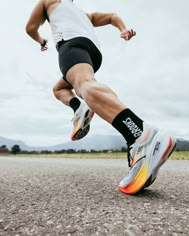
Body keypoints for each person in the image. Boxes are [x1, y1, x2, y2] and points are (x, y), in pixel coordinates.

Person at [25, 0, 176, 195]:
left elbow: (30, 28)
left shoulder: (50, 1)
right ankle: (79, 109)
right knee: (60, 88)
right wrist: (123, 29)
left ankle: (140, 134)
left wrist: (41, 41)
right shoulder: (85, 16)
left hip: (70, 45)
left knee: (84, 86)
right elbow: (112, 16)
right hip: (93, 52)